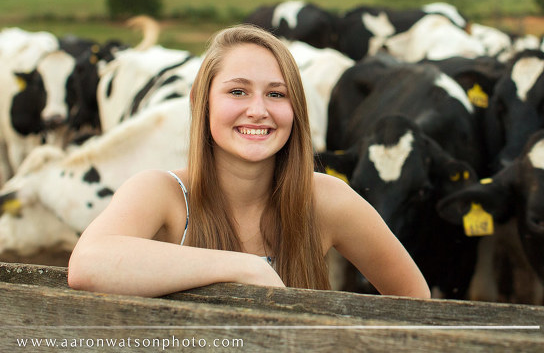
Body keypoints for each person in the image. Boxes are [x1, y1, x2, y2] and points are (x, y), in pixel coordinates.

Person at [68, 24, 430, 299]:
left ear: (296, 109)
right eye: (237, 91)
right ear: (200, 101)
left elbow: (416, 300)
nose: (258, 111)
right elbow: (88, 263)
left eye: (276, 94)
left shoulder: (325, 199)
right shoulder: (163, 193)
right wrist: (244, 268)